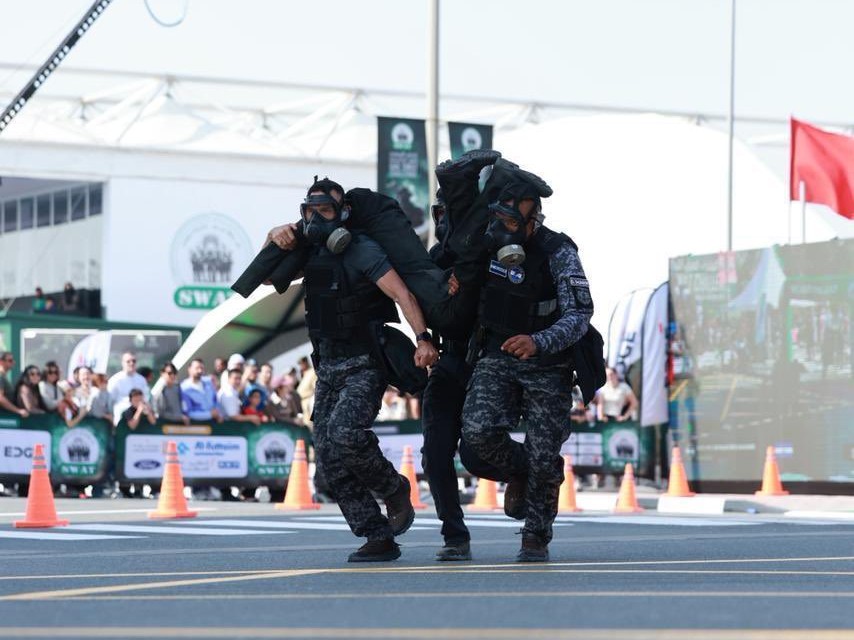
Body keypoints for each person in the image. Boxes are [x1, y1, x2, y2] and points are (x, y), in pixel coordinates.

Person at [265, 176, 439, 562]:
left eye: (324, 212)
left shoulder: (362, 249)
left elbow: (402, 294)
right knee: (326, 455)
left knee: (345, 433)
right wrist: (272, 236)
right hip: (327, 365)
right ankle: (377, 535)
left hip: (364, 362)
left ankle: (394, 489)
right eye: (310, 212)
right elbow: (266, 275)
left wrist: (424, 338)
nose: (316, 220)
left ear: (343, 214)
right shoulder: (310, 252)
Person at [461, 174, 594, 563]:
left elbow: (580, 314)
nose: (506, 228)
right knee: (478, 431)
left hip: (547, 362)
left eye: (514, 222)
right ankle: (523, 471)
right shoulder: (486, 242)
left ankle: (535, 534)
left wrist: (539, 341)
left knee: (543, 451)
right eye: (501, 219)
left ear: (535, 219)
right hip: (497, 354)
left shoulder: (558, 250)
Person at [107, 352, 150, 424]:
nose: (131, 363)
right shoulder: (115, 380)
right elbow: (109, 401)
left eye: (134, 361)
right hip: (121, 419)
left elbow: (146, 397)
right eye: (128, 361)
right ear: (122, 363)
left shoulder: (141, 379)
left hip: (139, 417)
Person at [180, 358, 223, 422]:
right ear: (189, 369)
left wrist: (218, 414)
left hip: (214, 424)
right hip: (197, 426)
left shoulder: (208, 382)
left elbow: (216, 401)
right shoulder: (184, 388)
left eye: (202, 368)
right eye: (197, 368)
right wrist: (209, 415)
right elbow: (188, 412)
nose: (200, 371)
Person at [0, 352, 28, 418]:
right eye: (10, 360)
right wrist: (18, 410)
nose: (13, 362)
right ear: (1, 362)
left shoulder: (4, 377)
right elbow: (0, 398)